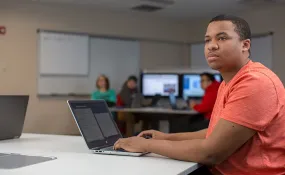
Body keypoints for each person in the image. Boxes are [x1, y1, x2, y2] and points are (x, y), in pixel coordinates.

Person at [114, 14, 285, 175]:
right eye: (207, 40)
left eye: (222, 38)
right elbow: (214, 133)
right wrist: (167, 137)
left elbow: (211, 153)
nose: (212, 45)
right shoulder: (228, 82)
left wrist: (146, 145)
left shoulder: (254, 82)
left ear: (245, 45)